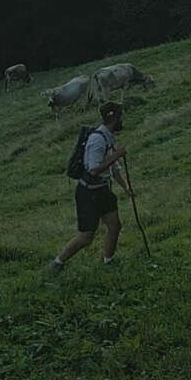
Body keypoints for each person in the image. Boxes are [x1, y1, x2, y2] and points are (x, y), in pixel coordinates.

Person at [49, 101, 127, 271]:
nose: (123, 119)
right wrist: (117, 156)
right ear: (114, 119)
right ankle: (57, 263)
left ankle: (108, 261)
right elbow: (93, 170)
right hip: (89, 193)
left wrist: (126, 188)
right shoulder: (97, 140)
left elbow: (113, 168)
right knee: (86, 237)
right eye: (121, 116)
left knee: (114, 225)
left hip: (103, 190)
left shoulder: (108, 136)